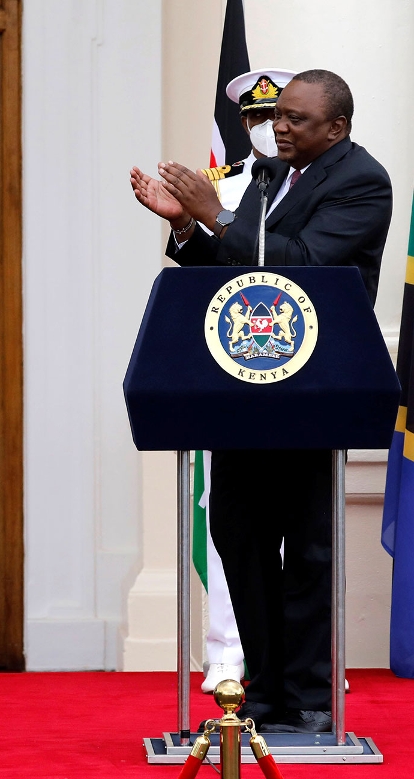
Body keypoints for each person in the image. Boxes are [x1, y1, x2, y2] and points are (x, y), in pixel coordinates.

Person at [129, 70, 392, 732]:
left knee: (305, 550)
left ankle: (306, 696)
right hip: (243, 390)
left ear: (335, 128)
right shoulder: (273, 180)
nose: (280, 126)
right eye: (277, 116)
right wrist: (188, 227)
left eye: (297, 119)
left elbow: (302, 264)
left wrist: (215, 213)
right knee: (239, 537)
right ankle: (266, 687)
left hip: (315, 392)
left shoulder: (362, 181)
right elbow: (235, 270)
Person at [196, 68, 295, 695]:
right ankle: (227, 653)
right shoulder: (221, 185)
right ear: (242, 125)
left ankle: (304, 656)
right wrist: (192, 221)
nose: (265, 129)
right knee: (228, 517)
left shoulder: (309, 187)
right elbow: (200, 278)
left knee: (302, 525)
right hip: (225, 369)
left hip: (292, 365)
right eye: (255, 120)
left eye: (275, 117)